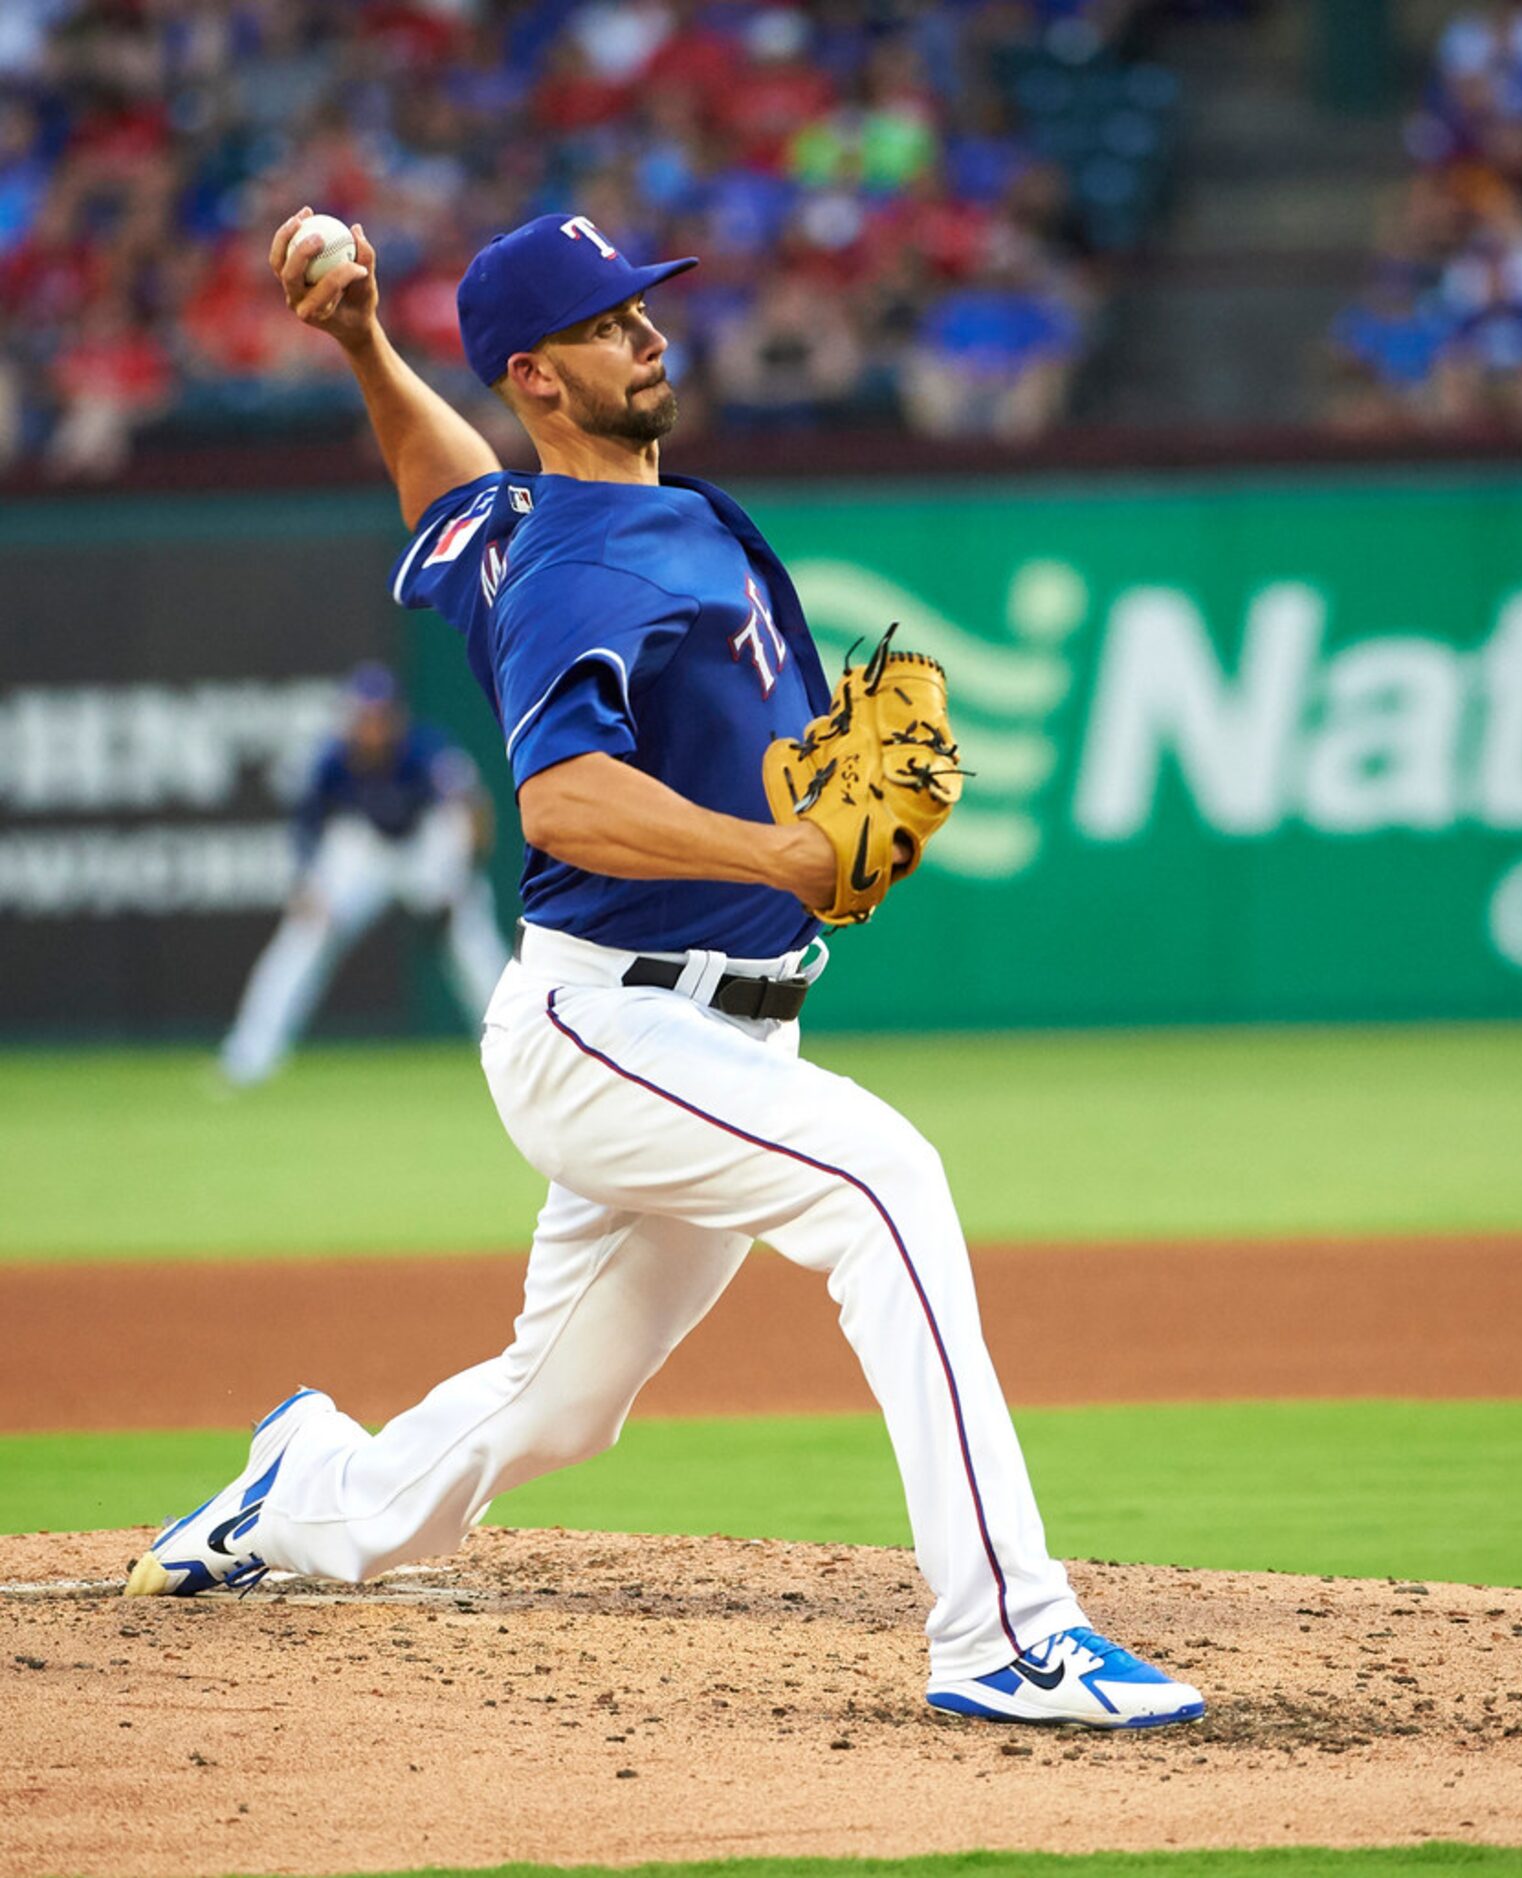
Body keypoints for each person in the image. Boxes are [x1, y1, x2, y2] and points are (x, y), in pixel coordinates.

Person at [126, 204, 1204, 1733]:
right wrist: (781, 855)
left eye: (643, 307)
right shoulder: (579, 558)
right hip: (604, 1023)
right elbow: (559, 799)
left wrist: (363, 343)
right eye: (609, 321)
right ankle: (1007, 1634)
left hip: (717, 1039)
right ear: (539, 376)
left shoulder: (561, 525)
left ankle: (308, 1486)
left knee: (557, 1403)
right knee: (882, 1183)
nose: (649, 332)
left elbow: (458, 511)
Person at [218, 661, 509, 1087]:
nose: (370, 725)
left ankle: (511, 1052)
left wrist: (459, 883)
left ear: (395, 716)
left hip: (426, 845)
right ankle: (250, 1055)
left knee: (473, 945)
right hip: (366, 851)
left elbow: (471, 810)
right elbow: (308, 828)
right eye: (362, 715)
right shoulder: (331, 757)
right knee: (304, 934)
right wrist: (308, 884)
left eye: (378, 715)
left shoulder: (424, 749)